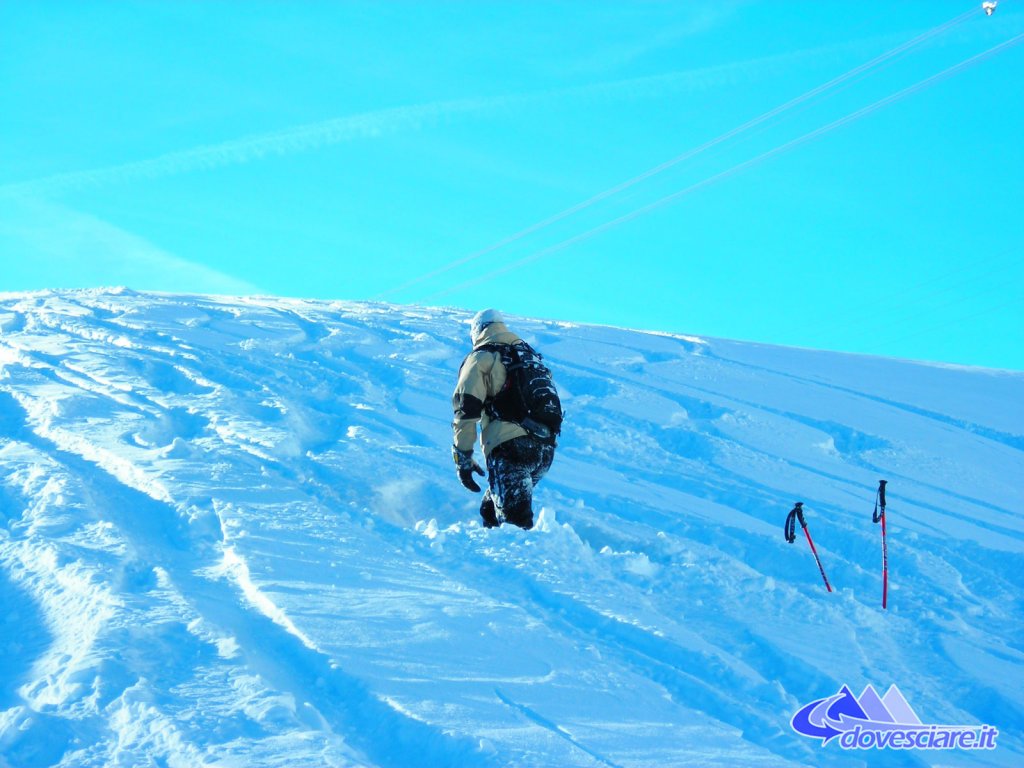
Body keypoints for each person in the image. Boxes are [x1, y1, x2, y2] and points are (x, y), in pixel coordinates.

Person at [451, 309, 556, 530]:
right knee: (491, 511)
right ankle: (489, 559)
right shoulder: (528, 356)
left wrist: (463, 457)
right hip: (544, 449)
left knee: (514, 526)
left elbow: (466, 410)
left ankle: (529, 560)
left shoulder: (482, 356)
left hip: (510, 448)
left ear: (478, 331)